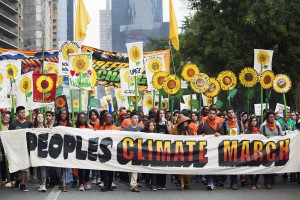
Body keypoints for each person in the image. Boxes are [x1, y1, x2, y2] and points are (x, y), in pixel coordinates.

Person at [198, 108, 224, 190]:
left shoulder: (219, 124)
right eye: (210, 113)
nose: (211, 115)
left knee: (215, 166)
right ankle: (210, 182)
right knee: (209, 165)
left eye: (213, 113)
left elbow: (223, 135)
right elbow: (198, 133)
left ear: (216, 115)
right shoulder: (203, 124)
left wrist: (219, 134)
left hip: (216, 149)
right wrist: (201, 135)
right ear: (208, 114)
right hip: (206, 148)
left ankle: (213, 182)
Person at [9, 106, 32, 192]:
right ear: (17, 114)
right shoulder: (13, 124)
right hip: (15, 148)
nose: (23, 114)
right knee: (16, 166)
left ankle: (23, 184)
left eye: (24, 112)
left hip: (25, 148)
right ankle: (17, 179)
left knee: (24, 167)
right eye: (22, 112)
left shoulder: (28, 124)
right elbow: (9, 137)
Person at [260, 111, 283, 189]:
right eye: (270, 117)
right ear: (267, 118)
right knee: (268, 165)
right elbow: (261, 137)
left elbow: (280, 134)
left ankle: (272, 179)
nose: (272, 119)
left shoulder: (277, 125)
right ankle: (267, 182)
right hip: (266, 149)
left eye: (273, 117)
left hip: (276, 148)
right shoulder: (263, 126)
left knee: (274, 164)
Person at [222, 108, 243, 190]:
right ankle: (233, 182)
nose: (231, 114)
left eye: (232, 112)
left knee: (236, 165)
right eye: (229, 112)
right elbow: (222, 134)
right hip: (228, 147)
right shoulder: (224, 124)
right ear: (227, 115)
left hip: (238, 146)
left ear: (234, 113)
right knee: (231, 165)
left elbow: (241, 132)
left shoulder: (238, 122)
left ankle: (235, 182)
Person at [99, 113, 120, 191]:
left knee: (111, 169)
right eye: (107, 117)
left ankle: (110, 184)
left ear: (112, 119)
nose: (109, 118)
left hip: (113, 151)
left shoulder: (116, 128)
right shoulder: (101, 128)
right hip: (104, 151)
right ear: (105, 118)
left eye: (110, 117)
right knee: (104, 169)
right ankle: (105, 185)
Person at [123, 111, 143, 192]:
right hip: (129, 150)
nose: (136, 119)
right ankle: (132, 182)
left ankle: (133, 185)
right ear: (130, 119)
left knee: (135, 168)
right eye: (134, 118)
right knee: (130, 169)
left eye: (137, 118)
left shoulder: (140, 128)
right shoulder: (127, 129)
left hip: (137, 151)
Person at [54, 109, 73, 192]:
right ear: (60, 114)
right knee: (58, 168)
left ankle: (64, 185)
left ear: (67, 115)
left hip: (66, 148)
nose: (63, 114)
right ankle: (61, 182)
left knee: (65, 167)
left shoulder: (70, 125)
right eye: (62, 113)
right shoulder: (56, 124)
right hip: (57, 148)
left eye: (65, 113)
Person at [75, 113, 93, 191]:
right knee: (80, 167)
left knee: (87, 167)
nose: (82, 119)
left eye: (83, 117)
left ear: (85, 118)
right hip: (79, 150)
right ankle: (81, 183)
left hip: (87, 149)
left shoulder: (89, 127)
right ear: (78, 119)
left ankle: (87, 181)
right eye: (80, 118)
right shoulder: (75, 128)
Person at [176, 114, 194, 190]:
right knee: (181, 169)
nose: (186, 123)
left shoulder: (190, 130)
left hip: (189, 152)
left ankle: (188, 183)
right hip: (180, 152)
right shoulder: (178, 132)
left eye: (187, 122)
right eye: (184, 122)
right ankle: (182, 184)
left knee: (189, 169)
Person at [155, 109, 172, 190]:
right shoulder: (155, 123)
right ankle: (158, 183)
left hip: (166, 146)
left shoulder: (168, 122)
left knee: (164, 165)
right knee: (158, 165)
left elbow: (171, 133)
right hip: (157, 147)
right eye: (160, 113)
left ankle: (163, 183)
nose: (162, 115)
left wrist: (166, 124)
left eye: (163, 113)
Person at [245, 116, 261, 189]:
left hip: (259, 151)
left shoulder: (260, 130)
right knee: (251, 168)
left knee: (258, 167)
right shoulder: (247, 131)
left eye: (255, 120)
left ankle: (256, 182)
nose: (254, 122)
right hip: (250, 152)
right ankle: (253, 183)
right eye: (252, 121)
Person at [34, 113, 48, 192]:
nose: (40, 118)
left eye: (41, 116)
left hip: (44, 150)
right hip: (35, 150)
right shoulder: (33, 129)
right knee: (38, 168)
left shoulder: (47, 128)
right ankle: (41, 183)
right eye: (38, 117)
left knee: (43, 168)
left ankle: (43, 184)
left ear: (43, 119)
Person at [143, 120, 157, 191]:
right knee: (147, 170)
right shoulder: (144, 135)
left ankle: (154, 184)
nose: (152, 127)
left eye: (153, 125)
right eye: (150, 125)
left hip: (154, 154)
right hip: (146, 154)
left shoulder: (156, 135)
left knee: (153, 170)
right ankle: (147, 184)